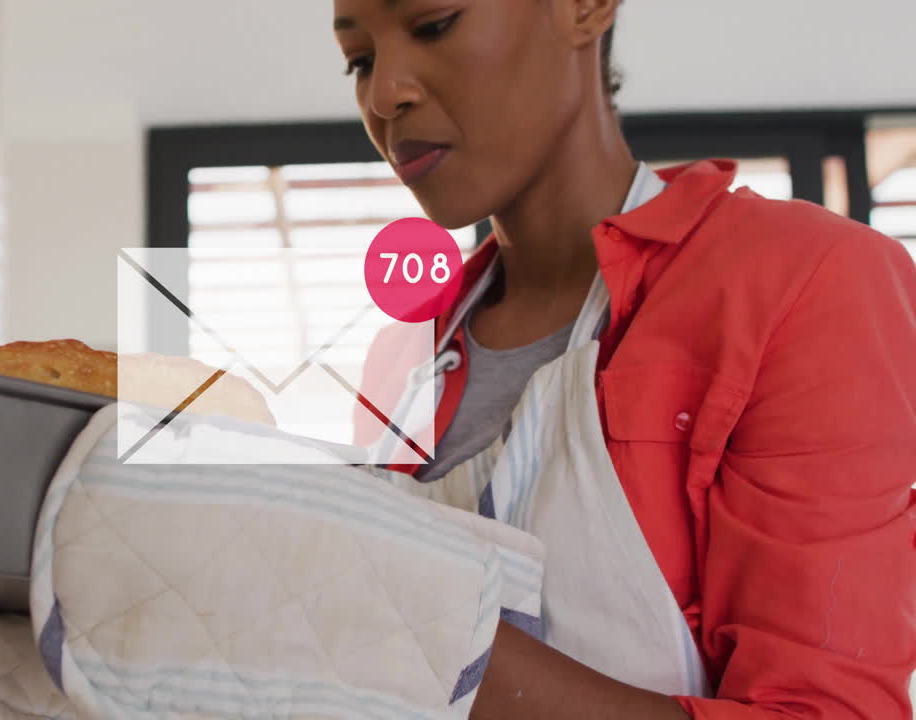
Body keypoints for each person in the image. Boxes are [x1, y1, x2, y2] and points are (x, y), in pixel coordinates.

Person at [336, 0, 916, 718]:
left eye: (433, 25)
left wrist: (413, 633)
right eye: (359, 61)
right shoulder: (401, 359)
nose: (384, 93)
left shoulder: (804, 280)